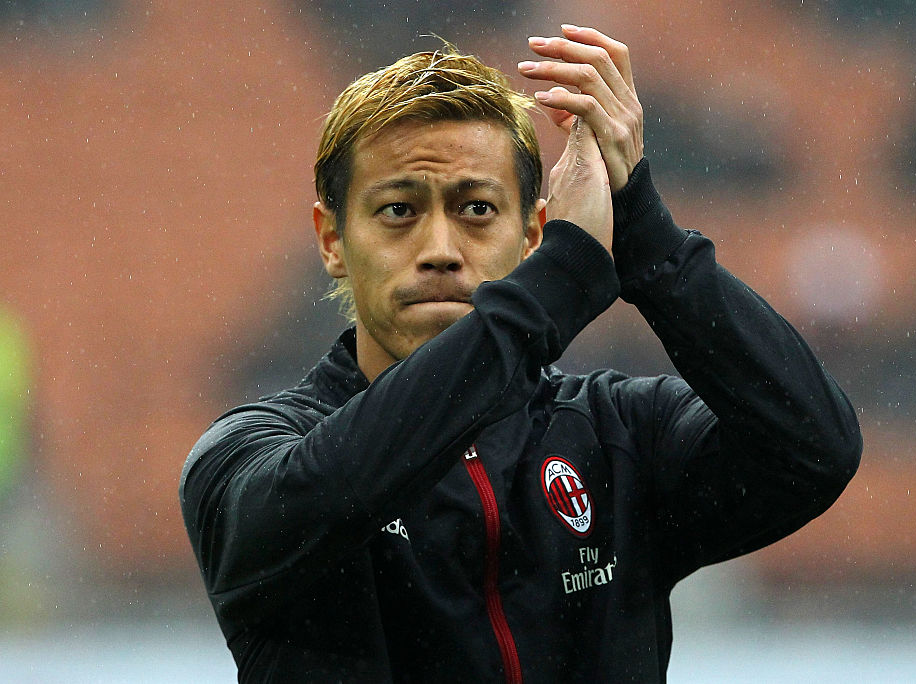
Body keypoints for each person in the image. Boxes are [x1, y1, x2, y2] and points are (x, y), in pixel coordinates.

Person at [180, 24, 861, 683]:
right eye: (399, 210)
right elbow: (334, 488)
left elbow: (814, 449)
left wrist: (642, 232)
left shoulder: (619, 438)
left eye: (476, 209)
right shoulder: (248, 456)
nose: (440, 250)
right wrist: (563, 279)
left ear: (534, 232)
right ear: (332, 239)